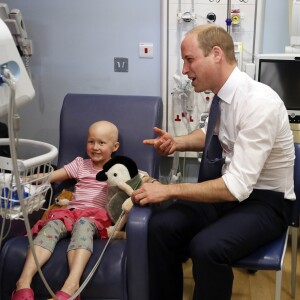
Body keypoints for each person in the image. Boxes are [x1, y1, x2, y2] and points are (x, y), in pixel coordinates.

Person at [131, 24, 296, 300]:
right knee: (160, 227)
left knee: (207, 248)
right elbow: (212, 133)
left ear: (216, 54)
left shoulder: (259, 104)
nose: (184, 70)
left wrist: (168, 189)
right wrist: (178, 142)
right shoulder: (221, 96)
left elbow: (236, 187)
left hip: (265, 202)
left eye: (189, 59)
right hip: (230, 195)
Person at [12, 120, 120, 300]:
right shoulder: (80, 164)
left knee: (84, 226)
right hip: (70, 212)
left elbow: (136, 181)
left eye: (102, 143)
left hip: (94, 216)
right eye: (91, 141)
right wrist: (26, 179)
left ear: (114, 146)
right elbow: (50, 176)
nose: (95, 147)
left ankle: (71, 286)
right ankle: (23, 283)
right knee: (51, 225)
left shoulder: (117, 169)